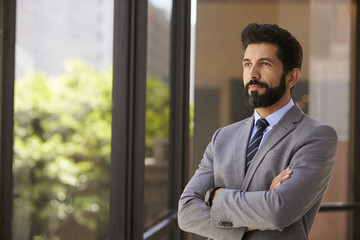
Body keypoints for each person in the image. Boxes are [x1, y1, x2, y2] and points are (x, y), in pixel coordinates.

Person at [177, 23, 338, 240]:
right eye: (247, 64)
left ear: (291, 77)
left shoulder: (316, 136)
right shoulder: (222, 138)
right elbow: (187, 212)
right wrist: (262, 206)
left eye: (265, 63)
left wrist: (216, 196)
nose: (252, 74)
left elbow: (279, 210)